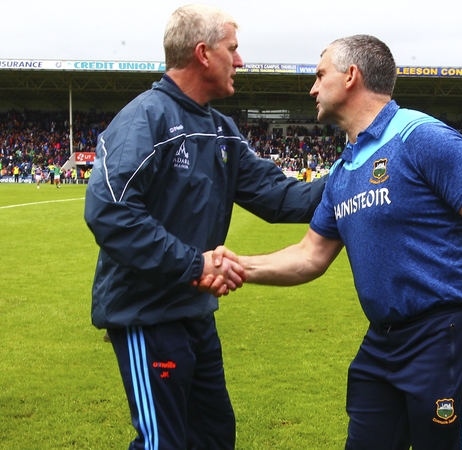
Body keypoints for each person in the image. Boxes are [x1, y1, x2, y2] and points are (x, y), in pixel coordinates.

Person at [202, 35, 462, 449]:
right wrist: (236, 266)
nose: (312, 88)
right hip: (383, 341)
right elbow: (309, 255)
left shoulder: (420, 136)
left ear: (351, 76)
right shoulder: (344, 169)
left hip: (445, 331)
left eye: (320, 75)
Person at [83, 5, 325, 450]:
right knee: (164, 442)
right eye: (232, 49)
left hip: (194, 313)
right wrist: (194, 264)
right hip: (147, 314)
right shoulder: (145, 119)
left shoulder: (221, 129)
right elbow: (111, 213)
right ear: (203, 53)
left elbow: (279, 197)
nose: (241, 61)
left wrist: (358, 175)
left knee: (214, 436)